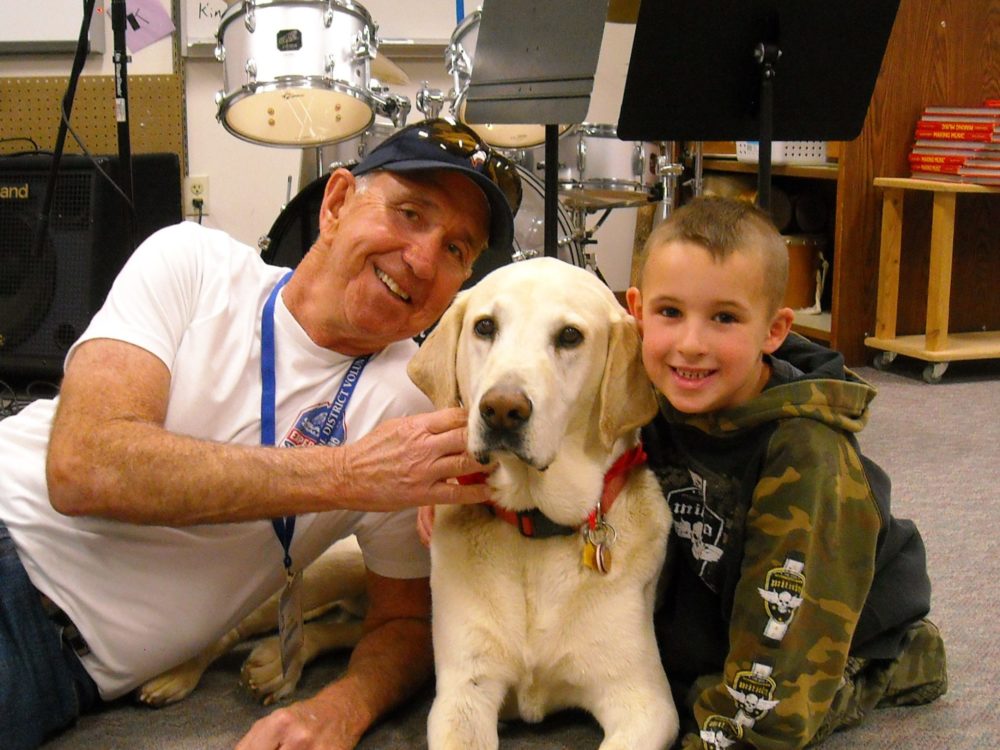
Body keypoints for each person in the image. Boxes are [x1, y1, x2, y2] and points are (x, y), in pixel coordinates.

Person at [0, 118, 523, 750]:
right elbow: (84, 467)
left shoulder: (409, 407)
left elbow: (406, 620)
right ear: (335, 203)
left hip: (61, 672)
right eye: (411, 213)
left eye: (456, 251)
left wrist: (339, 710)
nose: (421, 260)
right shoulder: (191, 264)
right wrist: (349, 474)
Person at [624, 196, 947, 749]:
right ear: (636, 311)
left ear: (773, 331)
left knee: (770, 718)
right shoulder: (650, 393)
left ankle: (900, 658)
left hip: (831, 614)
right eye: (670, 312)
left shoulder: (805, 452)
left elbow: (786, 629)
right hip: (728, 591)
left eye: (724, 317)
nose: (691, 344)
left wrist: (722, 732)